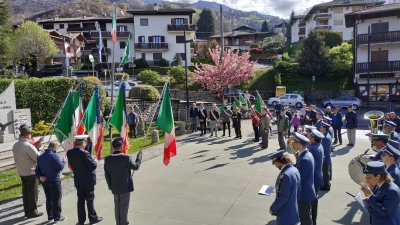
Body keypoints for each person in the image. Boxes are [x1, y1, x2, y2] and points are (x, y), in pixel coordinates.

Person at [104, 138, 142, 225]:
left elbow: (107, 175)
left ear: (113, 147)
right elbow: (135, 166)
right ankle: (124, 222)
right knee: (124, 206)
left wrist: (110, 186)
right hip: (125, 187)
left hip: (114, 187)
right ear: (121, 147)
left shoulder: (107, 159)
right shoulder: (126, 158)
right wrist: (139, 157)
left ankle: (118, 222)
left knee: (117, 205)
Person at [67, 135, 103, 225]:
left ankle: (81, 220)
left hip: (78, 180)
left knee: (80, 201)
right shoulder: (84, 153)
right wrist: (94, 160)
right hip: (87, 180)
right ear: (83, 143)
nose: (86, 144)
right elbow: (93, 166)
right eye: (85, 142)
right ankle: (93, 218)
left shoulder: (70, 152)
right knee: (89, 200)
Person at [12, 125, 43, 218]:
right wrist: (41, 150)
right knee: (33, 193)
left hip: (21, 171)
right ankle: (32, 211)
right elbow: (38, 158)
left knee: (25, 193)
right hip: (31, 171)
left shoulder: (16, 145)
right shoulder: (28, 146)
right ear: (28, 135)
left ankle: (27, 210)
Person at [35, 141, 67, 223]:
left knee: (49, 198)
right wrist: (64, 161)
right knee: (56, 199)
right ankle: (57, 217)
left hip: (45, 181)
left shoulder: (40, 157)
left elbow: (37, 170)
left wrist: (39, 177)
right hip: (54, 180)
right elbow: (60, 167)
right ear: (55, 148)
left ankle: (50, 215)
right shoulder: (54, 156)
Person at [268, 150, 301, 225]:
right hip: (293, 210)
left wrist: (273, 208)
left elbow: (283, 197)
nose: (275, 166)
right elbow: (298, 190)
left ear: (278, 162)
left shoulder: (285, 175)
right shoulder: (294, 170)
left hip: (285, 213)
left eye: (275, 163)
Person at [293, 132, 316, 225]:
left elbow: (299, 179)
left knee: (305, 219)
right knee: (305, 217)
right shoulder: (305, 154)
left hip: (304, 194)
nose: (293, 144)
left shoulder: (304, 159)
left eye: (295, 142)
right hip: (306, 192)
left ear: (299, 144)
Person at [305, 128, 324, 224]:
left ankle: (311, 220)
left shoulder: (312, 148)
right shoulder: (319, 145)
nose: (308, 136)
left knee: (310, 201)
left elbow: (309, 165)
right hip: (317, 177)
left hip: (312, 178)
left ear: (313, 139)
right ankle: (314, 219)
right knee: (314, 199)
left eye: (310, 136)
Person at [319, 122, 332, 191]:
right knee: (325, 171)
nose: (320, 128)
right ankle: (326, 183)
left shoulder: (325, 137)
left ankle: (326, 185)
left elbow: (323, 148)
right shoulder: (326, 135)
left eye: (321, 127)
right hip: (326, 157)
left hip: (325, 158)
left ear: (324, 128)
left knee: (325, 172)